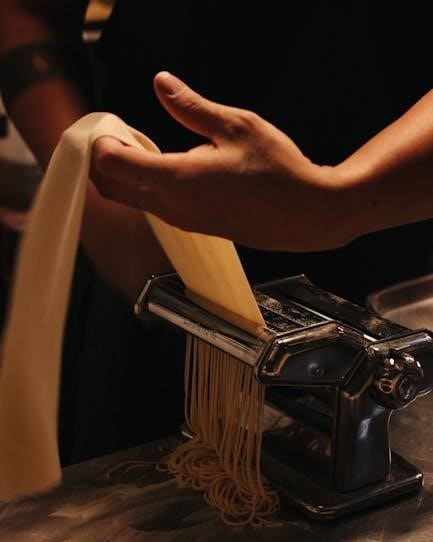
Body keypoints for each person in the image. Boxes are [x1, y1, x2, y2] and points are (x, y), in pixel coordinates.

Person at [1, 0, 432, 460]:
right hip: (141, 259)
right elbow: (30, 12)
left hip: (386, 279)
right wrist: (99, 212)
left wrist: (343, 201)